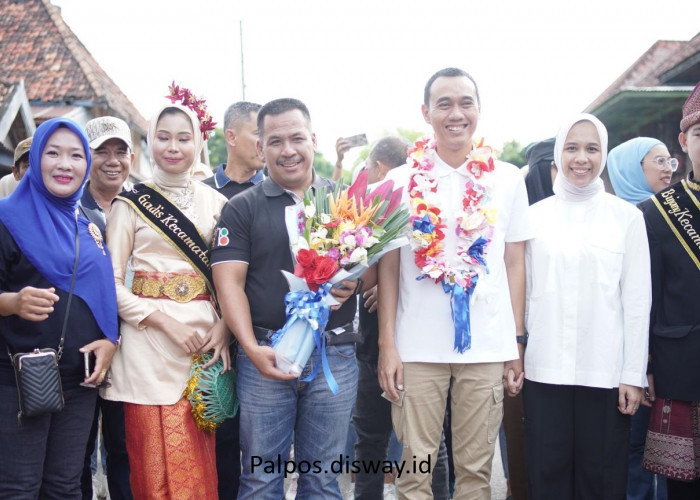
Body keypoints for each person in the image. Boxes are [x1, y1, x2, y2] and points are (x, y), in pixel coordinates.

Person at [378, 67, 533, 499]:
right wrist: (387, 344)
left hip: (485, 345)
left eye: (465, 102)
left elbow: (514, 262)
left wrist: (515, 343)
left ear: (479, 109)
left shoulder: (507, 178)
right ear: (425, 112)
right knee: (415, 472)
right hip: (416, 347)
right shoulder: (399, 182)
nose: (455, 113)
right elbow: (390, 268)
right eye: (444, 103)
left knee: (476, 473)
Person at [210, 97, 359, 499]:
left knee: (323, 479)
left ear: (314, 139)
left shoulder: (346, 202)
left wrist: (356, 283)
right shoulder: (241, 208)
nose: (288, 150)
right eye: (275, 141)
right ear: (261, 148)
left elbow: (373, 266)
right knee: (260, 477)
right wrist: (250, 348)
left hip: (335, 357)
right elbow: (229, 285)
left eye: (297, 138)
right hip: (265, 357)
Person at [101, 97, 229, 499]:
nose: (173, 148)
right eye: (163, 137)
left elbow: (232, 280)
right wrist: (161, 320)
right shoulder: (129, 204)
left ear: (198, 145)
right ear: (149, 143)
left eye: (183, 139)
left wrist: (226, 328)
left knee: (199, 464)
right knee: (151, 464)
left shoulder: (220, 204)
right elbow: (111, 283)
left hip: (203, 346)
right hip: (146, 345)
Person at [523, 113, 651, 498]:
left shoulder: (627, 218)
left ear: (604, 154)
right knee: (548, 475)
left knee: (603, 479)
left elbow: (637, 300)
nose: (582, 158)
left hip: (606, 373)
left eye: (592, 149)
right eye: (572, 148)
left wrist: (633, 373)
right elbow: (522, 294)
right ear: (558, 155)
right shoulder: (533, 218)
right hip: (544, 371)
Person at [0, 117, 119, 498]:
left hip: (79, 378)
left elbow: (104, 295)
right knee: (19, 487)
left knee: (66, 486)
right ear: (35, 159)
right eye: (53, 153)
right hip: (18, 376)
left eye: (75, 155)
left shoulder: (89, 223)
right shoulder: (5, 218)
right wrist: (12, 302)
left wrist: (110, 342)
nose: (64, 164)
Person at [350, 136, 449, 500]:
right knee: (412, 442)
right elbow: (362, 273)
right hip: (383, 343)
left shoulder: (432, 200)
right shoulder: (372, 205)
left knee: (410, 441)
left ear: (377, 168)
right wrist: (377, 281)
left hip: (419, 345)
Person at [639, 81, 700, 499]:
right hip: (681, 366)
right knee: (683, 488)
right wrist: (644, 363)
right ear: (683, 141)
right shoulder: (656, 213)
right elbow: (646, 298)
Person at [202, 100, 263, 500]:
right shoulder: (203, 194)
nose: (267, 143)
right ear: (231, 136)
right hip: (207, 337)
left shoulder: (273, 193)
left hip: (263, 336)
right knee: (220, 438)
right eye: (260, 134)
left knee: (259, 450)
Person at [607, 137, 673, 500]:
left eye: (669, 161)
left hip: (668, 355)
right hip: (630, 359)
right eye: (658, 161)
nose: (667, 168)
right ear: (632, 168)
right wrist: (641, 363)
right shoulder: (620, 220)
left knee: (666, 452)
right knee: (634, 451)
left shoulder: (673, 214)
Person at [79, 116, 134, 500]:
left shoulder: (144, 204)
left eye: (121, 151)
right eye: (102, 152)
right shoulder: (69, 205)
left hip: (134, 347)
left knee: (124, 451)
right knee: (77, 455)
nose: (112, 161)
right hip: (82, 348)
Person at [203, 101, 264, 199]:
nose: (265, 143)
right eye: (259, 134)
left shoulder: (278, 193)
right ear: (231, 137)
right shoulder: (203, 192)